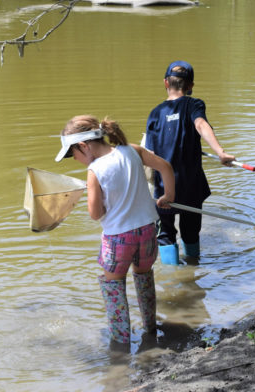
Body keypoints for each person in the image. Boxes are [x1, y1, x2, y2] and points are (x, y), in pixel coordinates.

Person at [55, 115, 175, 345]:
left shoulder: (94, 170)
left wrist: (91, 194)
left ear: (83, 146)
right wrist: (168, 196)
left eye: (73, 154)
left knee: (114, 290)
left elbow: (96, 214)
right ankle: (150, 330)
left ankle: (120, 346)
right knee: (144, 278)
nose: (75, 159)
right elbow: (165, 167)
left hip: (119, 239)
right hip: (148, 231)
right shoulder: (133, 150)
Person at [144, 60, 235, 264]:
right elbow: (200, 124)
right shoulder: (194, 104)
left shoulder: (155, 113)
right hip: (191, 186)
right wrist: (220, 152)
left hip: (163, 187)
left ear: (166, 82)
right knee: (191, 233)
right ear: (190, 85)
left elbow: (149, 153)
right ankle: (193, 268)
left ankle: (175, 285)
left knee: (165, 235)